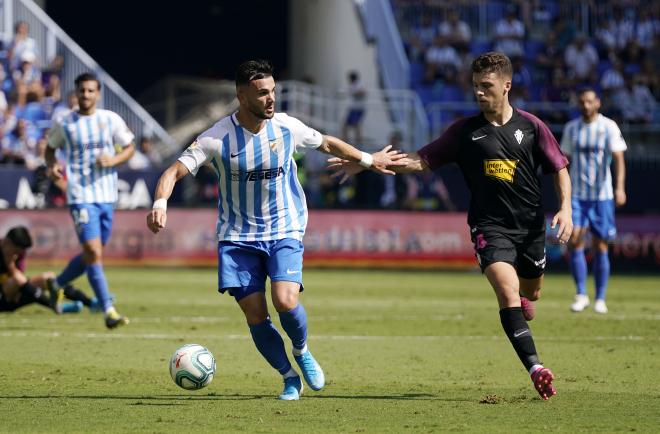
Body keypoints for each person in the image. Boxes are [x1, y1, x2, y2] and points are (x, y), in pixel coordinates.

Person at [146, 59, 404, 401]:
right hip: (237, 238)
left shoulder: (286, 127)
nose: (270, 99)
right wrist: (160, 204)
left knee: (284, 299)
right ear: (241, 95)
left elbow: (327, 143)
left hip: (284, 226)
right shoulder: (216, 138)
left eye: (273, 91)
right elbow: (173, 172)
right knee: (256, 314)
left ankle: (302, 349)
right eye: (262, 93)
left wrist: (369, 160)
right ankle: (288, 377)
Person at [329, 52, 572, 400]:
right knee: (506, 291)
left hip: (531, 227)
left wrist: (566, 208)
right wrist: (368, 162)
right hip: (490, 227)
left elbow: (559, 168)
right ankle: (536, 368)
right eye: (475, 86)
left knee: (531, 293)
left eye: (486, 86)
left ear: (507, 85)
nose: (478, 93)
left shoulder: (532, 127)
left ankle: (522, 298)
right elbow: (419, 161)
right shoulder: (464, 132)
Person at [45, 72, 135, 329]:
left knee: (91, 254)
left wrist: (113, 160)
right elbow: (50, 148)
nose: (85, 95)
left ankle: (57, 283)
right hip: (80, 196)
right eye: (81, 90)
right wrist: (52, 167)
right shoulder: (66, 122)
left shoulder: (110, 120)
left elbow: (130, 147)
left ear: (98, 93)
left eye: (90, 91)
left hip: (106, 197)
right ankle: (108, 310)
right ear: (76, 92)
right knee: (94, 253)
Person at [561, 88, 627, 314]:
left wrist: (619, 188)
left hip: (602, 196)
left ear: (597, 103)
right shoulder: (572, 129)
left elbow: (618, 158)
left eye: (590, 101)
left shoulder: (608, 127)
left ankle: (600, 297)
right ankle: (581, 294)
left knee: (600, 245)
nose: (586, 105)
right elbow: (564, 161)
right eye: (582, 102)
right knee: (576, 240)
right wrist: (564, 195)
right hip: (578, 196)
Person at [0, 226, 93, 314]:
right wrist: (10, 265)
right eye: (17, 250)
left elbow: (20, 277)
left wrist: (11, 266)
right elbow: (17, 279)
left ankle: (90, 303)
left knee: (49, 278)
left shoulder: (18, 254)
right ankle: (57, 307)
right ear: (8, 242)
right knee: (17, 280)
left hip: (14, 295)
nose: (19, 253)